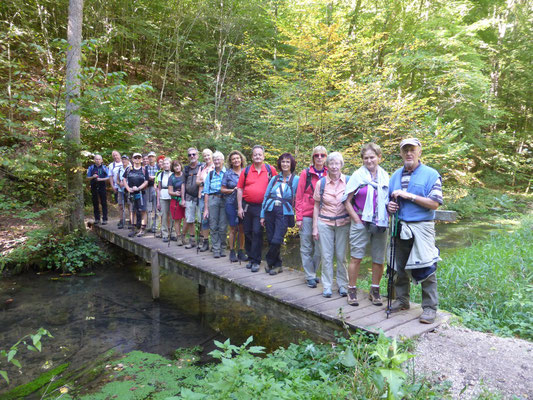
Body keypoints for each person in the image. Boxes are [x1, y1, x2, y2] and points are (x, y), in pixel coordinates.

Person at [387, 138, 443, 324]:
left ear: (419, 152)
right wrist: (390, 207)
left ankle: (429, 308)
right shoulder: (395, 176)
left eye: (412, 150)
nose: (409, 153)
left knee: (427, 268)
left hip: (422, 228)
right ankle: (402, 300)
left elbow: (434, 203)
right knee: (398, 267)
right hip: (399, 226)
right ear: (401, 153)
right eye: (405, 150)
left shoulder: (431, 174)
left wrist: (409, 195)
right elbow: (390, 202)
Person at [343, 143, 390, 306]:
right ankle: (352, 290)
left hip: (381, 222)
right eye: (366, 158)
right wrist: (356, 219)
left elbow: (389, 199)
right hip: (361, 221)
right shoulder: (357, 176)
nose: (369, 160)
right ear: (362, 160)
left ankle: (375, 291)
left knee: (378, 258)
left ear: (379, 158)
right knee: (356, 257)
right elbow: (346, 201)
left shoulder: (385, 176)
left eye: (372, 157)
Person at [312, 152, 349, 298]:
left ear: (341, 165)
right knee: (326, 256)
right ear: (327, 166)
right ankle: (327, 286)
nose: (334, 166)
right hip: (324, 222)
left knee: (341, 256)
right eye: (331, 163)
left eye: (337, 163)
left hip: (343, 223)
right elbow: (316, 205)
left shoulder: (348, 180)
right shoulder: (320, 183)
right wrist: (315, 227)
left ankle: (343, 285)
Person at [237, 145, 277, 272]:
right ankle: (251, 256)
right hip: (247, 206)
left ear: (263, 156)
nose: (257, 156)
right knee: (247, 232)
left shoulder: (270, 170)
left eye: (260, 154)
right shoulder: (246, 170)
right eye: (255, 154)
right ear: (252, 156)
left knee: (257, 232)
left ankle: (256, 261)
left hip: (262, 207)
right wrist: (239, 207)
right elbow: (239, 188)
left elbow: (277, 187)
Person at [260, 153, 299, 275]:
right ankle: (278, 265)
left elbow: (299, 198)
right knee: (271, 239)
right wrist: (262, 215)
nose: (285, 164)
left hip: (284, 213)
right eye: (283, 162)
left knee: (277, 239)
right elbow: (266, 196)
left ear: (291, 164)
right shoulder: (274, 178)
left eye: (288, 162)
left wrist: (299, 215)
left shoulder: (296, 180)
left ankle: (268, 260)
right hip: (270, 210)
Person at [295, 146, 328, 288]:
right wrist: (299, 216)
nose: (319, 158)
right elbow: (299, 195)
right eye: (316, 155)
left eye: (322, 155)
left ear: (326, 157)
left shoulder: (329, 173)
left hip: (324, 215)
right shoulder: (306, 173)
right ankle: (310, 275)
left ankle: (312, 272)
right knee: (306, 246)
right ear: (313, 157)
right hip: (307, 214)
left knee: (320, 248)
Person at [221, 150, 247, 262]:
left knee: (242, 229)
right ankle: (232, 251)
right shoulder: (227, 173)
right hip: (231, 203)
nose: (236, 160)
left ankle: (241, 251)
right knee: (232, 228)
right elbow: (222, 189)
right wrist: (233, 190)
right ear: (231, 162)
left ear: (241, 159)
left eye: (238, 158)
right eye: (233, 159)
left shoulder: (246, 172)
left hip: (244, 204)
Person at [203, 151, 227, 258]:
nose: (217, 161)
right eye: (215, 159)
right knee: (213, 225)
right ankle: (216, 248)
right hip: (213, 199)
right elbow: (206, 191)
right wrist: (206, 209)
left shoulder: (227, 173)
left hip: (224, 200)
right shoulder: (210, 174)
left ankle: (223, 247)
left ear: (223, 161)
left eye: (219, 159)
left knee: (222, 226)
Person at [181, 147, 204, 249]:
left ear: (197, 155)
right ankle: (192, 240)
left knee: (201, 220)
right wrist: (182, 198)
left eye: (194, 154)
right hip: (189, 197)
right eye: (190, 155)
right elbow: (183, 184)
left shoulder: (203, 167)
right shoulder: (186, 169)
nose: (192, 156)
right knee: (190, 219)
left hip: (200, 197)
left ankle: (202, 241)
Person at [123, 152, 149, 237]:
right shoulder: (128, 169)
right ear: (133, 159)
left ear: (141, 159)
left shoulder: (144, 170)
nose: (137, 159)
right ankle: (133, 229)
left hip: (141, 193)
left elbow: (146, 181)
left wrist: (139, 188)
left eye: (139, 158)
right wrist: (128, 188)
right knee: (132, 211)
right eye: (135, 158)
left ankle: (142, 229)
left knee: (143, 210)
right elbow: (124, 179)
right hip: (131, 194)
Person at [196, 149, 214, 252]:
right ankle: (205, 242)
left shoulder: (215, 166)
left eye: (208, 155)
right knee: (204, 219)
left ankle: (214, 243)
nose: (207, 157)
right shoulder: (202, 167)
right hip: (202, 196)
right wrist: (205, 182)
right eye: (205, 156)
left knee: (214, 219)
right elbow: (197, 181)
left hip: (213, 196)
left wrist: (204, 182)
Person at [86, 154, 110, 225]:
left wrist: (101, 179)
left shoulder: (104, 168)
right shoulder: (91, 168)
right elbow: (87, 178)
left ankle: (105, 219)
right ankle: (97, 219)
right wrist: (92, 177)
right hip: (94, 187)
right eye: (96, 159)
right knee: (95, 203)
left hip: (102, 186)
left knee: (104, 203)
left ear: (101, 160)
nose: (98, 160)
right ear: (94, 160)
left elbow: (108, 177)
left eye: (99, 159)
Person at [157, 158, 174, 242]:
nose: (166, 165)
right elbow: (158, 188)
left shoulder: (174, 174)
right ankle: (165, 234)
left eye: (168, 163)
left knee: (172, 215)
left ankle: (173, 233)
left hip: (172, 196)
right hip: (163, 196)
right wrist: (158, 202)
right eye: (165, 164)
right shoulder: (161, 174)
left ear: (170, 164)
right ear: (162, 165)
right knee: (163, 215)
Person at [168, 160, 185, 245]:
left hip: (185, 199)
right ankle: (178, 237)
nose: (177, 167)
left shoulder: (185, 174)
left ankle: (184, 235)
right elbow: (170, 191)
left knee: (187, 219)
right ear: (173, 168)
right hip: (175, 200)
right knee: (177, 219)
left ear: (181, 166)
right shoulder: (172, 177)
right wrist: (175, 193)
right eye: (175, 166)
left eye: (178, 165)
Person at [146, 151, 159, 235]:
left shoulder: (158, 166)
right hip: (147, 188)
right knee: (148, 208)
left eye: (152, 156)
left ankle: (155, 226)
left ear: (155, 158)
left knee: (156, 208)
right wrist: (148, 178)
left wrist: (154, 177)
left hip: (156, 188)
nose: (151, 158)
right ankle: (148, 226)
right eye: (149, 156)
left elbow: (160, 176)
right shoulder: (145, 167)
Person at [116, 155, 131, 229]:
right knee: (121, 205)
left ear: (128, 160)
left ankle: (131, 221)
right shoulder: (120, 169)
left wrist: (126, 184)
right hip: (120, 190)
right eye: (123, 159)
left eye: (126, 159)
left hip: (128, 190)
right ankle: (122, 220)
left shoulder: (131, 168)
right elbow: (117, 179)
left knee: (129, 205)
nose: (124, 161)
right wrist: (119, 184)